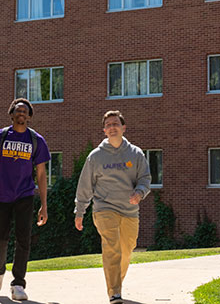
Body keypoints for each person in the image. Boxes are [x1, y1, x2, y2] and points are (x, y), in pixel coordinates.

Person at [74, 110, 151, 304]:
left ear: (123, 128)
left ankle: (115, 283)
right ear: (104, 131)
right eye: (108, 125)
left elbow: (145, 179)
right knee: (112, 246)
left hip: (130, 210)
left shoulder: (136, 153)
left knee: (127, 249)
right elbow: (85, 186)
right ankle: (114, 292)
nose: (112, 127)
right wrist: (80, 212)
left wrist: (139, 192)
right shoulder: (96, 157)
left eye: (115, 123)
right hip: (104, 207)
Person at [0, 98, 51, 301]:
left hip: (25, 195)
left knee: (23, 240)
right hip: (2, 196)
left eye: (25, 111)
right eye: (18, 110)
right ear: (11, 114)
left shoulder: (36, 140)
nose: (21, 113)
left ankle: (18, 284)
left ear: (29, 116)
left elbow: (41, 175)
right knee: (0, 240)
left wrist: (44, 206)